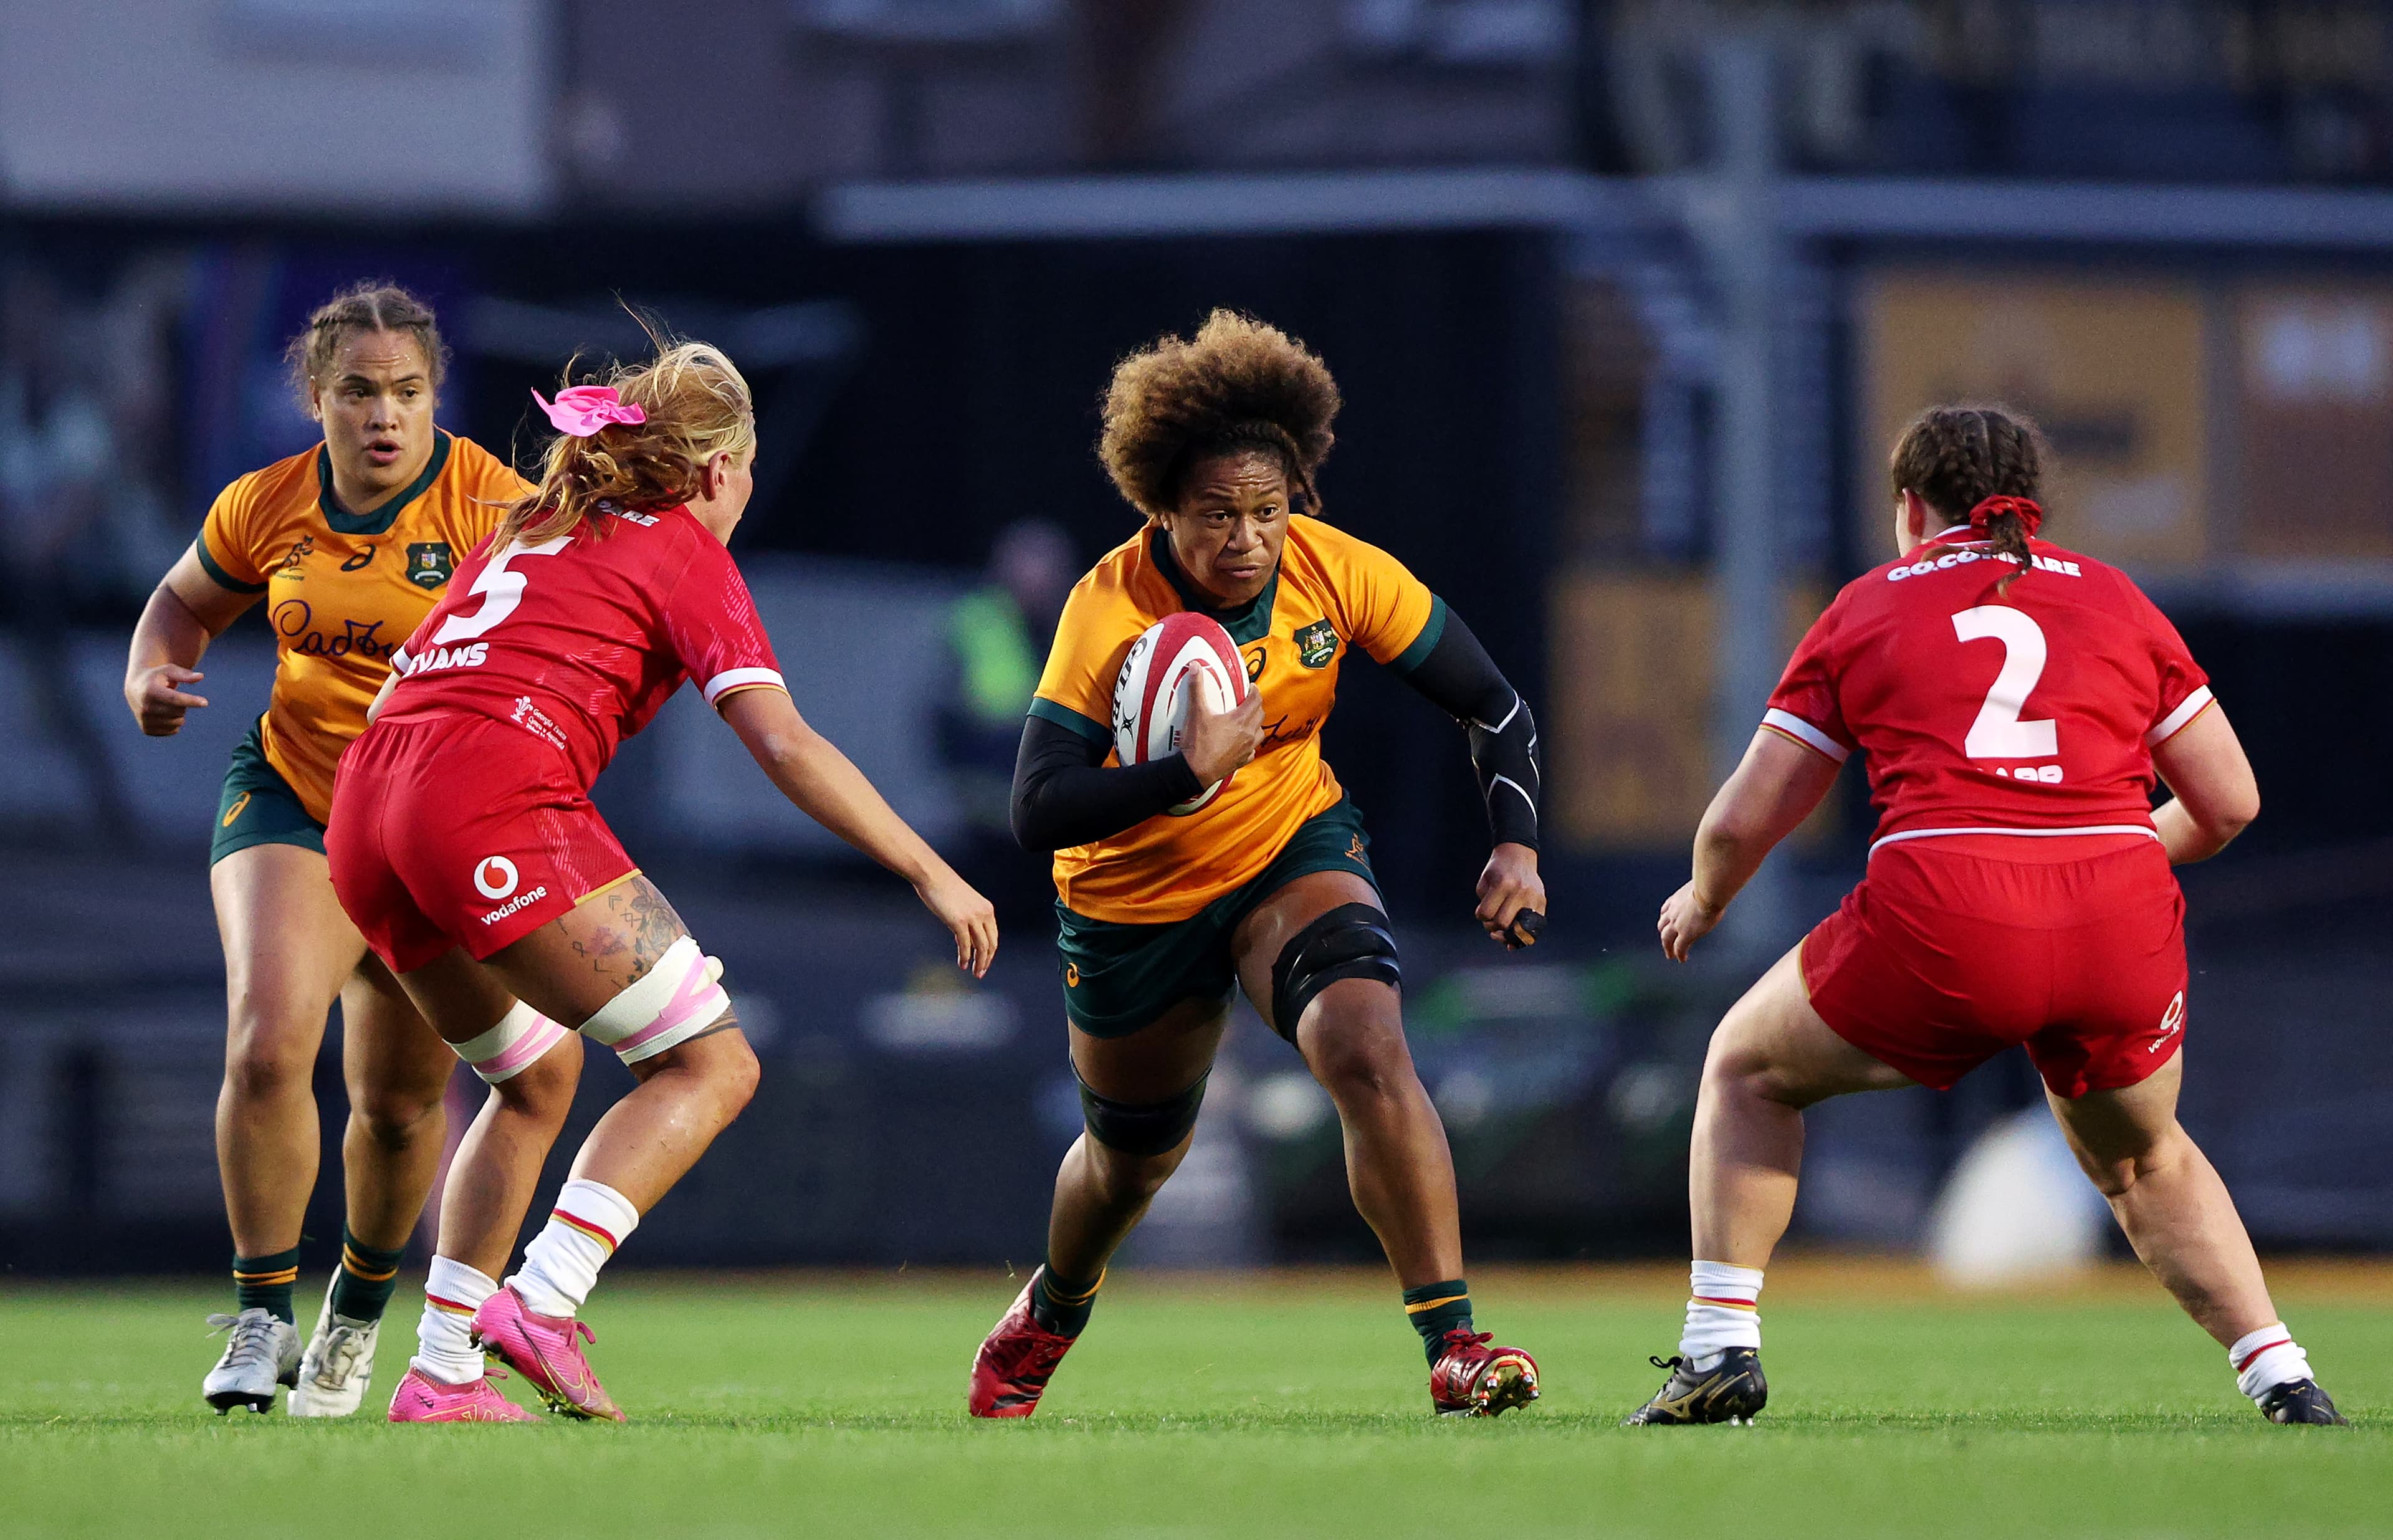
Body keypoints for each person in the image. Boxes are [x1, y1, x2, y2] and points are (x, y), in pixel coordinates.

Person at [1625, 404, 2344, 1428]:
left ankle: (1717, 1354)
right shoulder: (2116, 597)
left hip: (1948, 911)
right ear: (2033, 506)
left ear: (1912, 506)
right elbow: (2230, 801)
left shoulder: (1870, 606)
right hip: (2118, 916)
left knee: (1746, 1068)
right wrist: (2118, 851)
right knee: (2144, 1158)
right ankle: (2281, 1375)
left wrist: (1703, 899)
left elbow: (1746, 820)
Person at [326, 335, 998, 1422]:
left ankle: (441, 1373)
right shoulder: (685, 547)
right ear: (719, 470)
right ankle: (542, 1303)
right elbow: (782, 743)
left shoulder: (531, 525)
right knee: (712, 1066)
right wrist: (930, 870)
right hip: (490, 794)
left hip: (367, 806)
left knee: (534, 1082)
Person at [969, 310, 1548, 1420]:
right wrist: (1184, 773)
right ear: (1161, 509)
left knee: (1365, 1045)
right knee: (1128, 1165)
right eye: (1216, 516)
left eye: (1268, 512)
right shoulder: (1108, 607)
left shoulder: (1334, 573)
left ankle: (1456, 1344)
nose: (1246, 539)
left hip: (1288, 849)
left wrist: (1516, 843)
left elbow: (1494, 704)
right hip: (1132, 901)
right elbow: (1037, 807)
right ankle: (1054, 1306)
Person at [123, 283, 583, 1416]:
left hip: (430, 830)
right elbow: (179, 608)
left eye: (409, 392)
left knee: (393, 1103)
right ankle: (260, 1320)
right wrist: (149, 672)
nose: (385, 416)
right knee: (268, 1044)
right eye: (360, 393)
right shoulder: (265, 505)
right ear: (316, 399)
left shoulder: (496, 505)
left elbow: (582, 632)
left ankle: (355, 1316)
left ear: (438, 397)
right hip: (297, 796)